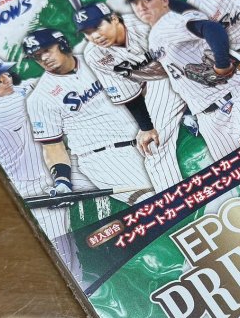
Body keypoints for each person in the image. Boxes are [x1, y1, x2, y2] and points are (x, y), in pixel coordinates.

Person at [0, 54, 81, 279]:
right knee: (64, 257)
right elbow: (42, 92)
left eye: (5, 73)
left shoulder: (8, 93)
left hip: (52, 171)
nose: (6, 80)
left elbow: (31, 86)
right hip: (32, 188)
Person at [127, 0, 240, 161]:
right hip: (208, 117)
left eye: (148, 0)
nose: (141, 7)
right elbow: (198, 19)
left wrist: (222, 65)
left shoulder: (167, 24)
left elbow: (213, 29)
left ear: (164, 1)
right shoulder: (166, 28)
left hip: (238, 99)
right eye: (135, 3)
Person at [22, 28, 154, 207]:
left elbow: (139, 88)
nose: (43, 58)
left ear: (62, 44)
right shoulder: (39, 98)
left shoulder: (95, 58)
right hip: (103, 158)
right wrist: (62, 181)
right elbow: (52, 145)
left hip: (144, 137)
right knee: (156, 202)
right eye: (37, 56)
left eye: (46, 50)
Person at [76, 2, 187, 192]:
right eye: (87, 32)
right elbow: (128, 94)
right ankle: (174, 201)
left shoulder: (144, 25)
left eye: (97, 27)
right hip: (160, 83)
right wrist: (147, 127)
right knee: (152, 145)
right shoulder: (94, 54)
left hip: (188, 65)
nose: (94, 36)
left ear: (114, 19)